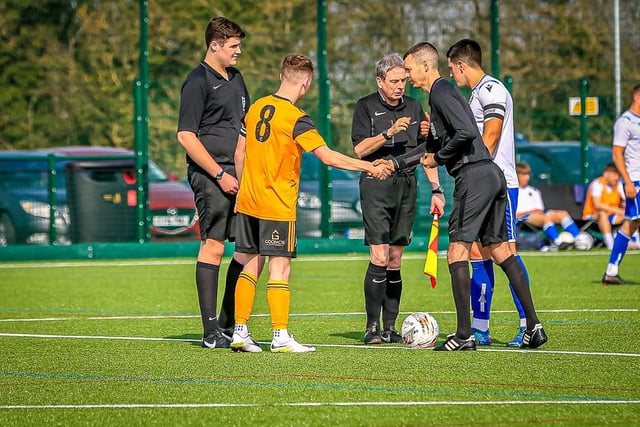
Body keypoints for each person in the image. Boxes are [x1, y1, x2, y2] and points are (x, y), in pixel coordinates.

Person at [384, 42, 547, 351]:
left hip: (473, 177)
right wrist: (393, 163)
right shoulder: (442, 96)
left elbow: (465, 135)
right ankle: (534, 326)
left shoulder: (441, 91)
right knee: (500, 251)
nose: (406, 76)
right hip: (490, 175)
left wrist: (440, 157)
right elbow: (429, 149)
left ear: (425, 67)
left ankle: (464, 335)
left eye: (409, 69)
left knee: (457, 253)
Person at [230, 54, 390, 353]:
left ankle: (240, 331)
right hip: (277, 204)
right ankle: (280, 336)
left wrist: (242, 191)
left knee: (250, 264)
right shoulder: (295, 118)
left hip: (249, 200)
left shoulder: (256, 108)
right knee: (280, 268)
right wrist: (368, 167)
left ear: (282, 76)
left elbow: (239, 153)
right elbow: (327, 156)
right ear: (305, 83)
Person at [351, 53, 443, 345]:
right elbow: (360, 151)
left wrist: (437, 190)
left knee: (394, 260)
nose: (400, 86)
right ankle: (371, 327)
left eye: (403, 80)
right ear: (380, 81)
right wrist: (387, 133)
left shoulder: (416, 107)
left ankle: (390, 327)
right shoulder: (365, 106)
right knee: (378, 255)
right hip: (376, 185)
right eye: (394, 81)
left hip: (406, 187)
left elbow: (425, 154)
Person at [445, 38, 531, 348]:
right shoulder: (475, 95)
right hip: (482, 184)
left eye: (452, 69)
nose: (452, 75)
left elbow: (491, 136)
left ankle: (528, 325)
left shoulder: (492, 90)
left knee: (506, 252)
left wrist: (476, 170)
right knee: (478, 253)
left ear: (462, 65)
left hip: (499, 183)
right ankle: (480, 327)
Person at [176, 16, 251, 349]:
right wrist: (220, 176)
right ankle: (210, 333)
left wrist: (243, 175)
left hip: (238, 176)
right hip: (211, 176)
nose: (238, 52)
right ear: (215, 45)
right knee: (215, 246)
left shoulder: (236, 78)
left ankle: (227, 323)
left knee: (248, 250)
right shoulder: (197, 80)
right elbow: (186, 136)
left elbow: (242, 133)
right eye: (233, 46)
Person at [602, 84, 640, 285]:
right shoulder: (625, 122)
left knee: (632, 223)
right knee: (632, 223)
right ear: (637, 98)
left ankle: (611, 270)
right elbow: (617, 153)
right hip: (636, 179)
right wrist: (627, 181)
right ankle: (611, 271)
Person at [516, 162, 582, 249]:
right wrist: (529, 212)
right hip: (522, 218)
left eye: (528, 174)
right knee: (546, 218)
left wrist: (537, 211)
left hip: (537, 215)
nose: (527, 177)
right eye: (524, 174)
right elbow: (514, 214)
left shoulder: (534, 191)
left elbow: (540, 209)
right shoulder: (511, 191)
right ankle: (558, 242)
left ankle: (579, 239)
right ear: (517, 175)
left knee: (562, 214)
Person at [582, 163, 625, 250]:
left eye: (618, 175)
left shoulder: (618, 184)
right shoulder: (597, 184)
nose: (616, 178)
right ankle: (610, 244)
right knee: (602, 213)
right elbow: (598, 205)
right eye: (614, 175)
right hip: (593, 215)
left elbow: (624, 202)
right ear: (606, 174)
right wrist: (617, 210)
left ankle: (633, 240)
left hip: (612, 216)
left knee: (631, 215)